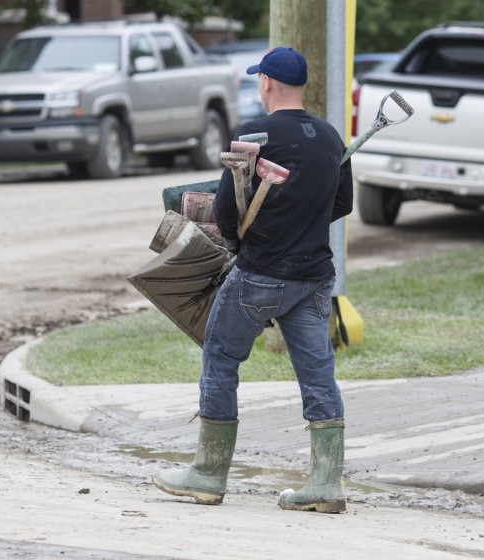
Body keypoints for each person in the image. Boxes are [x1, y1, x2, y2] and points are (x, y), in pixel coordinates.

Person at [152, 47, 354, 514]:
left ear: (266, 83)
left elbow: (224, 211)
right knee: (317, 373)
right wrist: (303, 212)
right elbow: (341, 205)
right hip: (314, 277)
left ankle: (206, 474)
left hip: (261, 273)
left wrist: (248, 230)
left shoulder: (254, 134)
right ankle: (326, 483)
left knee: (221, 357)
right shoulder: (329, 137)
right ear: (301, 85)